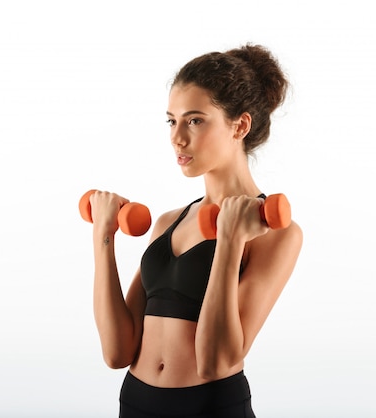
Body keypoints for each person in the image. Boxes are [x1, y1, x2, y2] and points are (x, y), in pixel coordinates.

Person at [87, 43, 303, 417]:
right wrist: (103, 238)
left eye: (195, 120)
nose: (177, 137)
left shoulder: (276, 233)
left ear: (240, 125)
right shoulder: (168, 223)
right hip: (135, 404)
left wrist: (231, 240)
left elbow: (216, 362)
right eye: (172, 120)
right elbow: (116, 352)